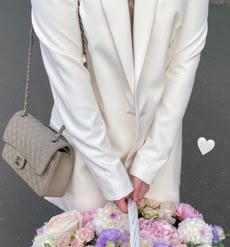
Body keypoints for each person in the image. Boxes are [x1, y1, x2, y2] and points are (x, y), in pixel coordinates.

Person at [30, 0, 209, 213]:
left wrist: (151, 159)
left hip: (157, 138)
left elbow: (184, 60)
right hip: (88, 142)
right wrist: (108, 173)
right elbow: (68, 74)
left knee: (155, 240)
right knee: (91, 239)